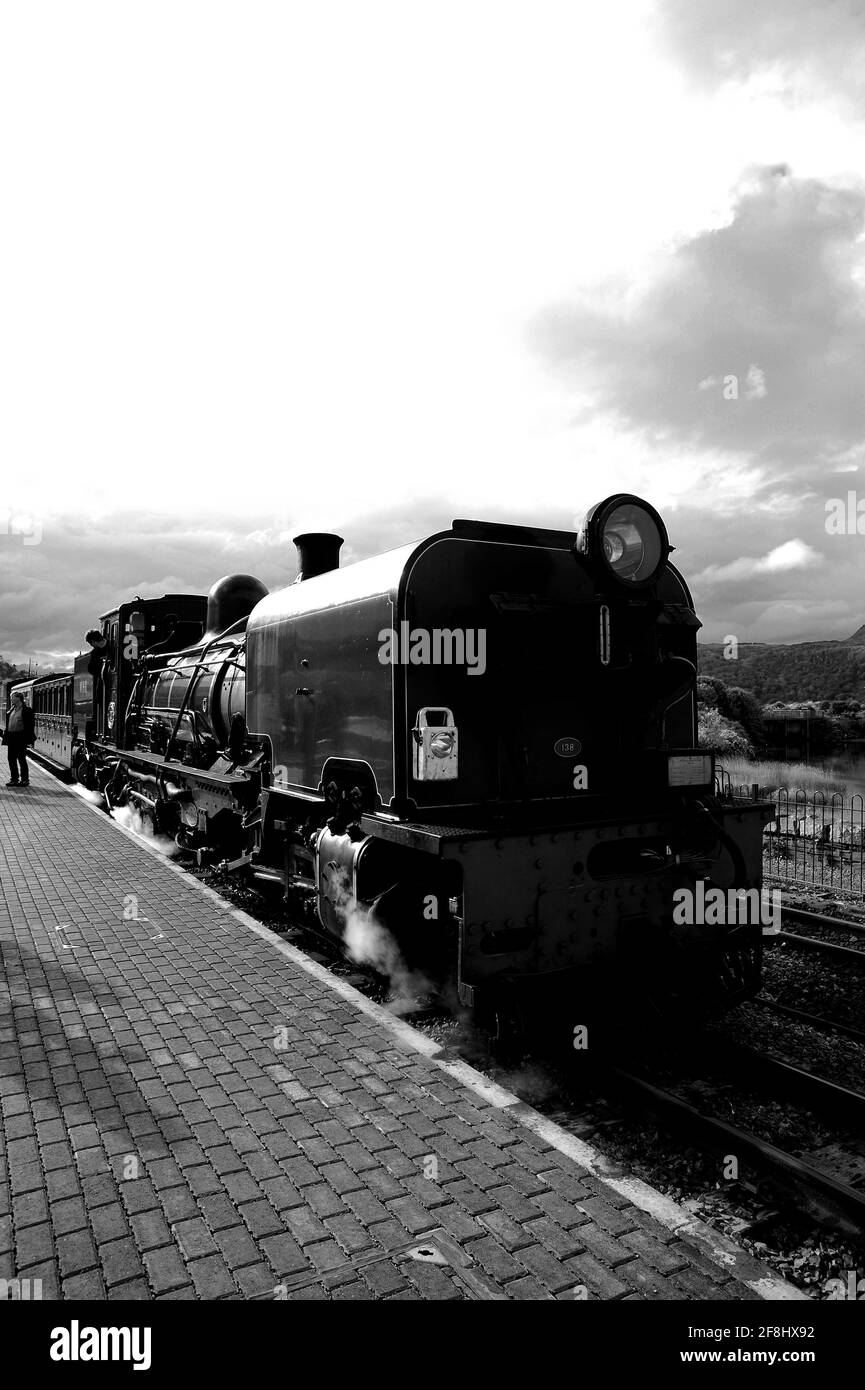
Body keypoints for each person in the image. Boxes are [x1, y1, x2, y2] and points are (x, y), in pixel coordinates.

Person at [3, 691, 36, 786]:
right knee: (11, 759)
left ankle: (25, 780)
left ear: (18, 698)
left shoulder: (26, 710)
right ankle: (14, 779)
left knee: (21, 759)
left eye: (12, 697)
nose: (11, 699)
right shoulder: (12, 709)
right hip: (11, 738)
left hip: (20, 738)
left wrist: (28, 739)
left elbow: (30, 726)